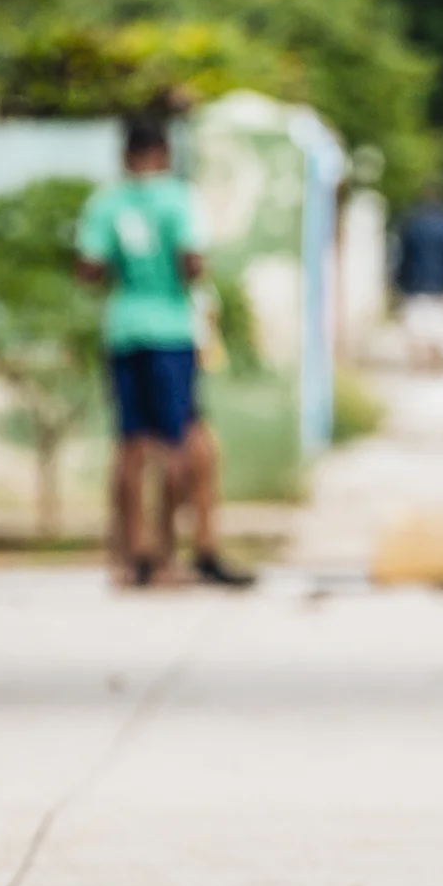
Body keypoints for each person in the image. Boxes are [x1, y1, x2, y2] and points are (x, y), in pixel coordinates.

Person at [76, 113, 255, 588]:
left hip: (123, 327)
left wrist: (129, 270)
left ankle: (131, 552)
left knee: (130, 445)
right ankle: (170, 551)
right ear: (166, 154)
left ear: (124, 156)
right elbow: (192, 262)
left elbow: (89, 269)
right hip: (172, 330)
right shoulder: (178, 198)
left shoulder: (106, 203)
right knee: (180, 442)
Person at [394, 182, 443, 368]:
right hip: (442, 285)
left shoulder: (412, 225)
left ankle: (421, 364)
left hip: (415, 284)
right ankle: (434, 365)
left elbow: (403, 257)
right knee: (439, 330)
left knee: (418, 330)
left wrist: (400, 281)